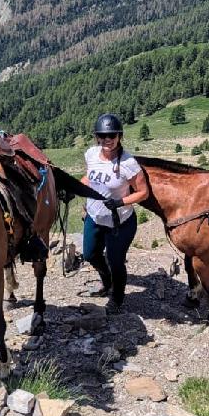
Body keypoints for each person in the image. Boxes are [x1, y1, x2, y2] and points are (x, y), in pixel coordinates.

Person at [82, 114, 150, 313]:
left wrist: (120, 202)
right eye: (102, 136)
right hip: (94, 216)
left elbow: (143, 192)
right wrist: (75, 188)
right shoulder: (91, 154)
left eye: (112, 135)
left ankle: (117, 298)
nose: (107, 139)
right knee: (90, 254)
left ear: (119, 136)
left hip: (119, 222)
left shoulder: (129, 163)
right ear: (97, 137)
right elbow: (90, 177)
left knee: (116, 261)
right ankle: (107, 281)